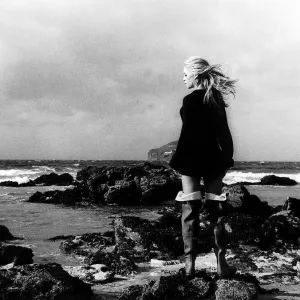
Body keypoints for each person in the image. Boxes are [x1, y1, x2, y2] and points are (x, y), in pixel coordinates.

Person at [169, 56, 237, 278]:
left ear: (195, 74)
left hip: (190, 159)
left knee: (189, 211)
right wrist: (226, 160)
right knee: (216, 212)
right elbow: (224, 134)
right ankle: (221, 265)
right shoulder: (215, 99)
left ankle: (189, 267)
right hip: (213, 160)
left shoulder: (188, 101)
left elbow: (187, 135)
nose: (183, 77)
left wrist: (178, 161)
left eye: (185, 73)